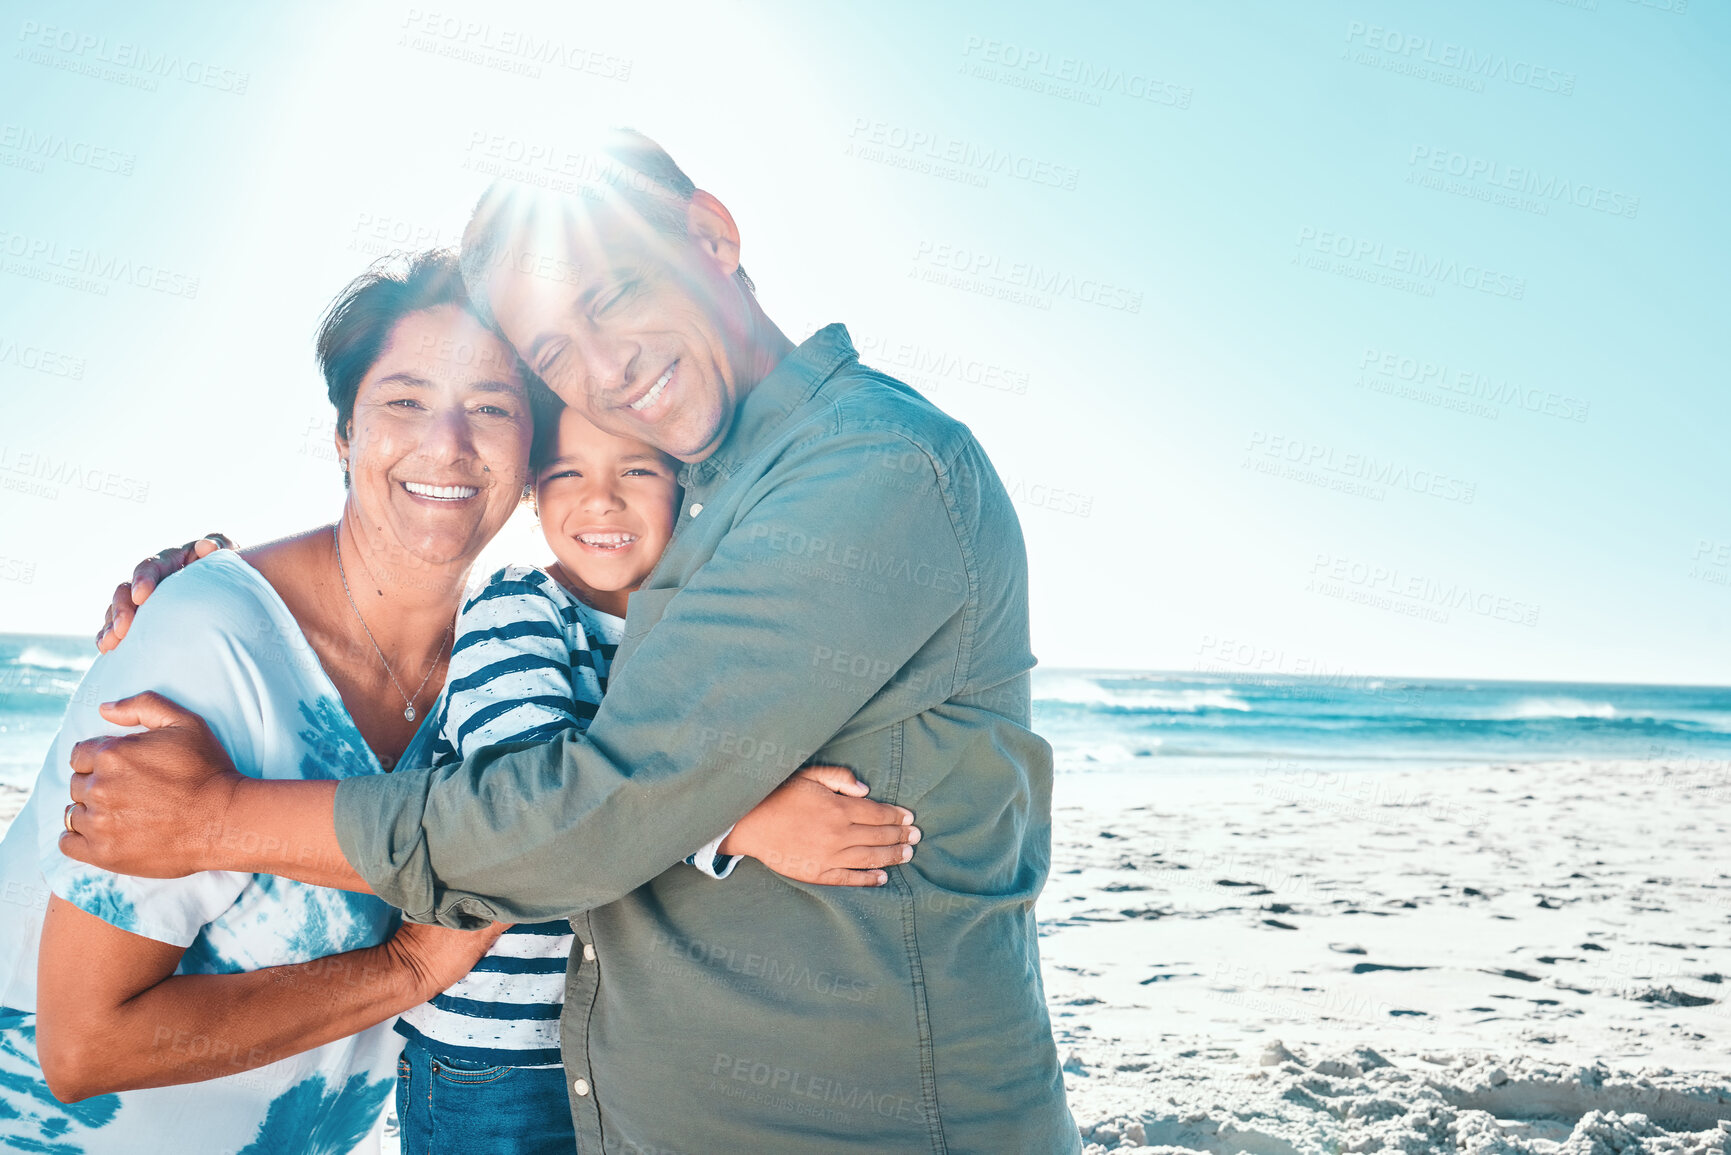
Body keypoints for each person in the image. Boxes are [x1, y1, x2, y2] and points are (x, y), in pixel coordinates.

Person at [71, 129, 1079, 1152]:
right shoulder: (715, 492)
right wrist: (250, 586)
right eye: (553, 352)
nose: (604, 370)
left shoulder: (867, 467)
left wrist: (221, 819)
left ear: (712, 234)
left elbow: (586, 815)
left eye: (615, 295)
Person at [0, 249, 906, 1152]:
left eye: (489, 407)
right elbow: (83, 1046)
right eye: (403, 400)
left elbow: (587, 797)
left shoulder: (494, 649)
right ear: (344, 434)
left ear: (528, 452)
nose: (447, 443)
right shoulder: (198, 643)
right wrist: (410, 965)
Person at [397, 400, 908, 1153]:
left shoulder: (703, 625)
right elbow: (535, 804)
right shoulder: (517, 604)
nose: (601, 498)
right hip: (498, 1056)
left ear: (687, 489)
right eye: (566, 472)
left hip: (639, 1043)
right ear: (534, 494)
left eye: (637, 469)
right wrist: (745, 823)